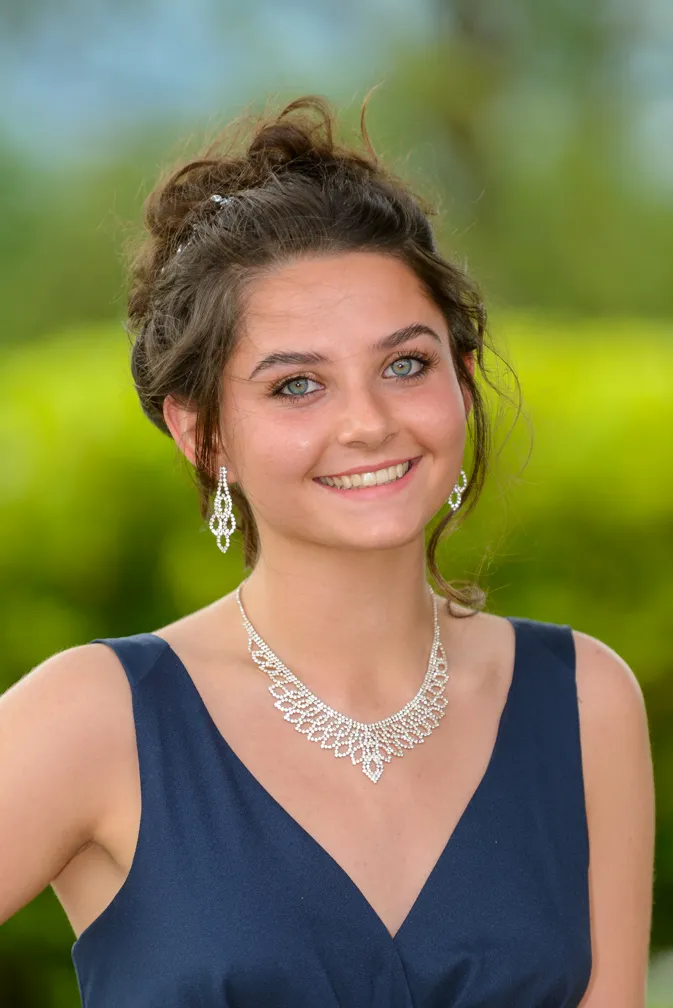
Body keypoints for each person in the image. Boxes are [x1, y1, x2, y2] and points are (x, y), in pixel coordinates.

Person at [0, 95, 655, 1008]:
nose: (367, 423)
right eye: (296, 384)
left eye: (404, 364)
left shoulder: (583, 701)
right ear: (204, 435)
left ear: (461, 383)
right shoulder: (96, 719)